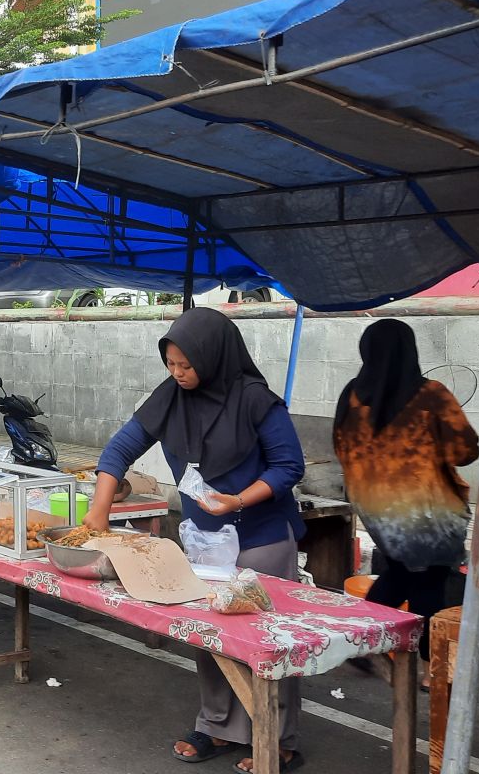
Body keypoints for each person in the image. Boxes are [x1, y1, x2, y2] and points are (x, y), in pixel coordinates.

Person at [83, 307, 306, 772]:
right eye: (171, 364)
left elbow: (288, 466)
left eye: (187, 365)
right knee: (211, 637)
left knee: (265, 640)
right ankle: (219, 726)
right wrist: (98, 512)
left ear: (214, 356)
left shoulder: (255, 400)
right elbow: (119, 449)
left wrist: (238, 500)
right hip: (204, 541)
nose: (178, 373)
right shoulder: (170, 397)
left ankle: (276, 738)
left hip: (261, 535)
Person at [333, 319, 479, 690]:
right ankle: (429, 670)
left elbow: (341, 448)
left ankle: (363, 644)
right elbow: (465, 451)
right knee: (429, 586)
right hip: (430, 514)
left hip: (380, 515)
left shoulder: (352, 395)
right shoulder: (431, 395)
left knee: (398, 573)